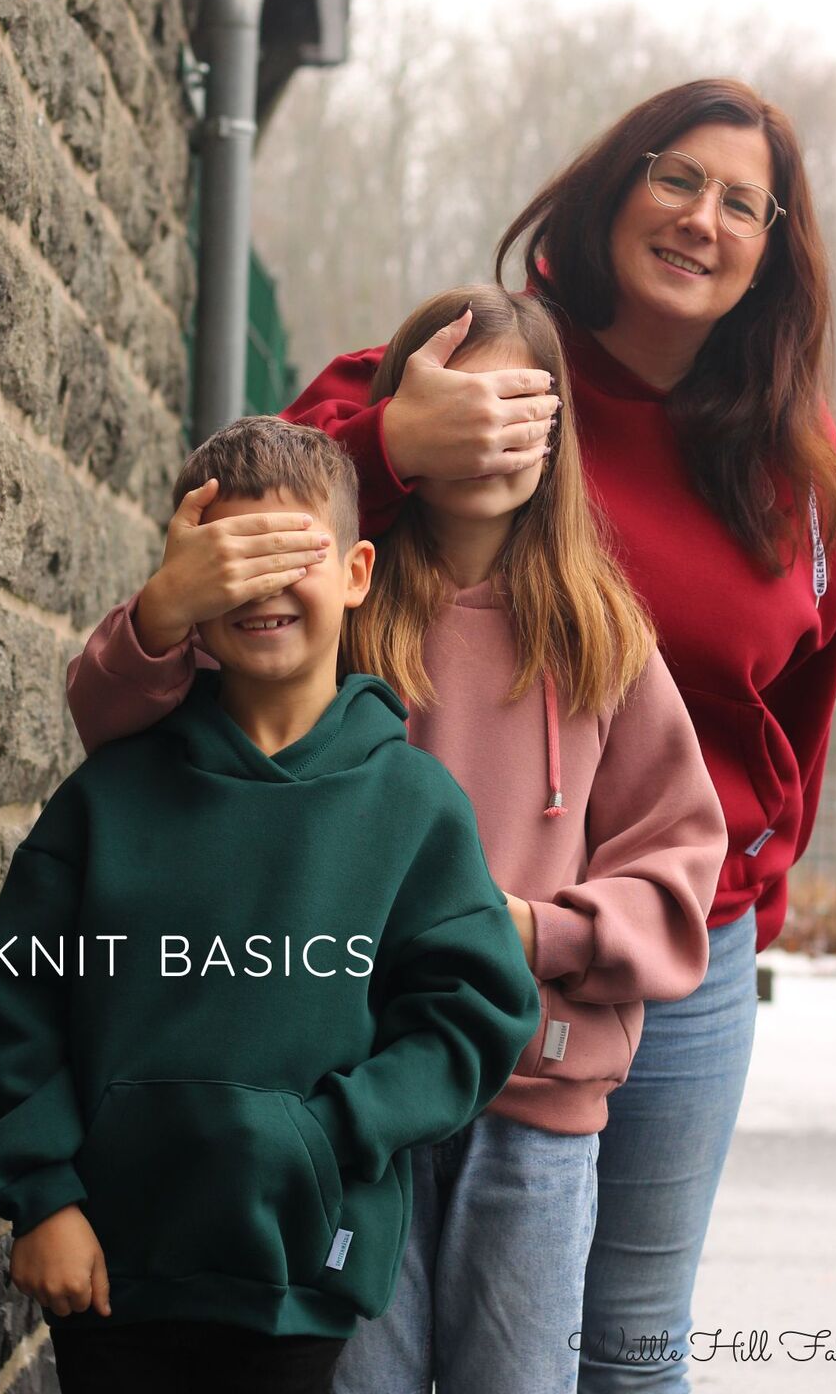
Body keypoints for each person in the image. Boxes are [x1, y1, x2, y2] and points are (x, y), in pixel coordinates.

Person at [63, 286, 728, 1393]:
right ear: (409, 413)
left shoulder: (603, 637)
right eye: (461, 400)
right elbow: (114, 718)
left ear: (557, 434)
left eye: (519, 404)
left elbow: (676, 865)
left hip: (535, 1107)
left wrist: (535, 931)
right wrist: (164, 609)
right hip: (353, 1102)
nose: (490, 430)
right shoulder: (344, 610)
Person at [0, 416, 540, 1394]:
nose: (263, 587)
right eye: (234, 560)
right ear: (189, 582)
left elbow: (474, 1014)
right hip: (106, 1269)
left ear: (356, 572)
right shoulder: (109, 797)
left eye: (292, 556)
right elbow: (19, 997)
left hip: (299, 1270)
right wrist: (44, 1197)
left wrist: (332, 1133)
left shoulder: (414, 805)